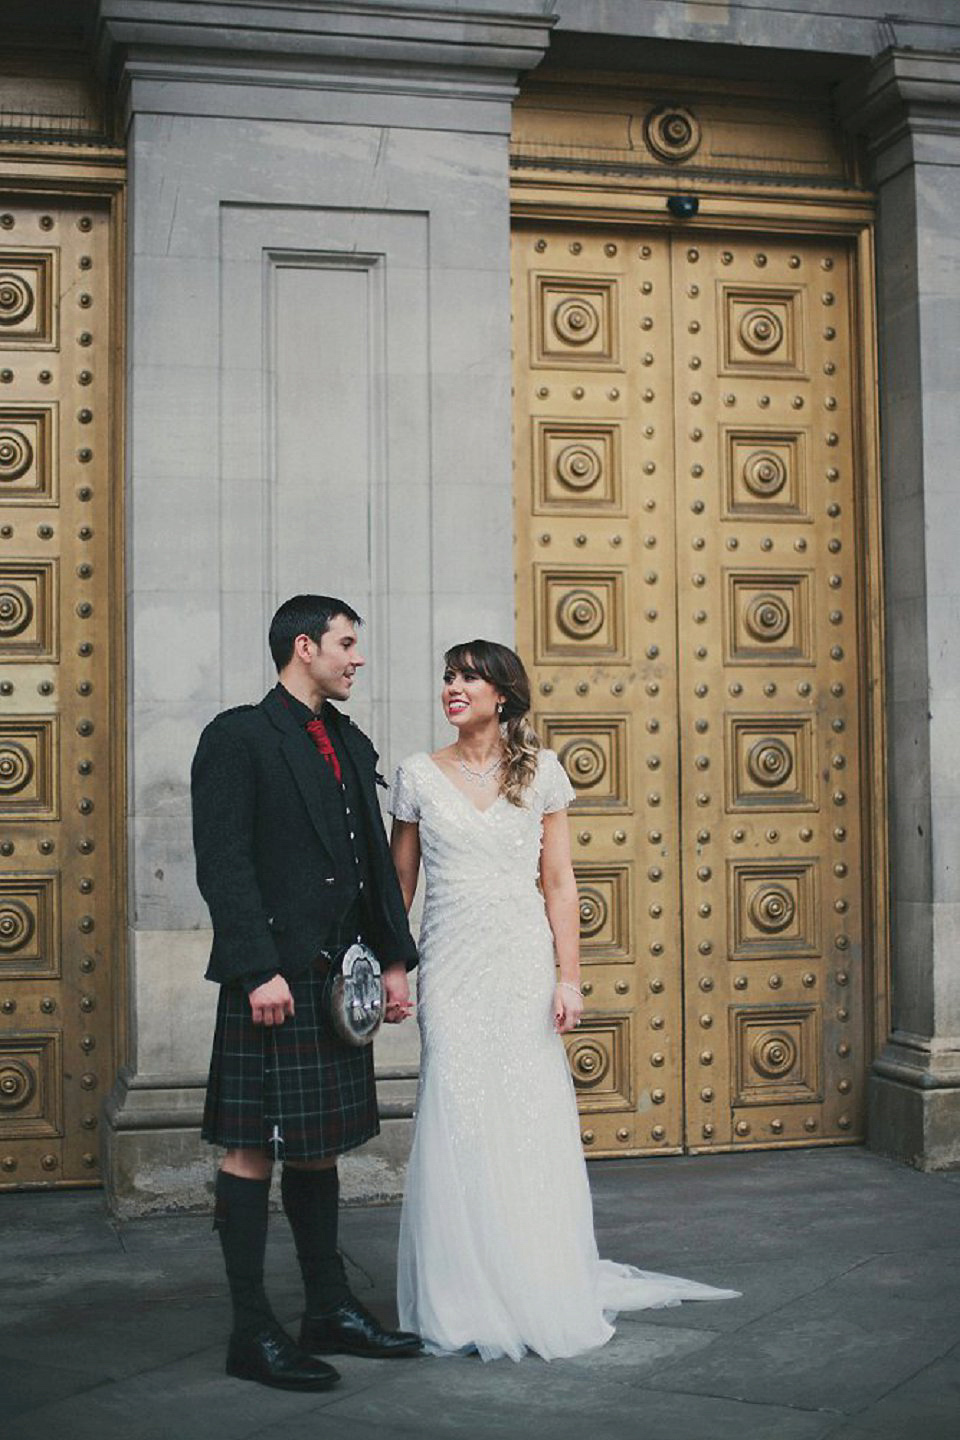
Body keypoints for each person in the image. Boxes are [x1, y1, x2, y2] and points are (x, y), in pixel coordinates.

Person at [388, 640, 740, 1362]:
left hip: (521, 963)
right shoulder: (417, 776)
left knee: (525, 1113)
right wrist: (396, 967)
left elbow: (559, 884)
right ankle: (461, 1291)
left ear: (502, 695)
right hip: (450, 968)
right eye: (447, 677)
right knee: (456, 1108)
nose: (452, 687)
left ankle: (533, 1278)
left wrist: (567, 977)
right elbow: (400, 889)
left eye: (468, 678)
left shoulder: (541, 773)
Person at [191, 595, 422, 1392]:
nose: (357, 658)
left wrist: (395, 961)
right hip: (276, 977)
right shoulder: (239, 737)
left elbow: (376, 868)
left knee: (320, 1143)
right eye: (347, 644)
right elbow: (223, 862)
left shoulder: (349, 741)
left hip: (338, 978)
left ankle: (328, 1309)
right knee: (252, 1145)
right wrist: (256, 967)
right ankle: (251, 1331)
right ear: (304, 646)